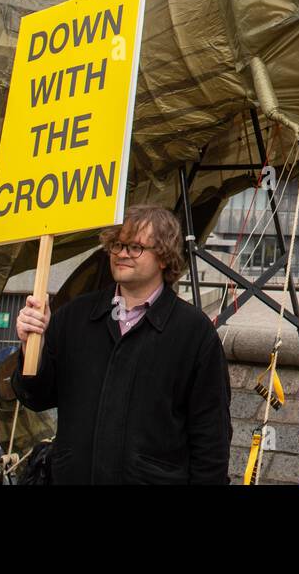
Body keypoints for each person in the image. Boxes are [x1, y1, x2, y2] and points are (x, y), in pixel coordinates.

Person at [12, 205, 232, 483]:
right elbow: (35, 396)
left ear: (164, 257)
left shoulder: (195, 333)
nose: (123, 253)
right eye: (117, 244)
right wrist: (31, 344)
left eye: (136, 247)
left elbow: (211, 439)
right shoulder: (73, 315)